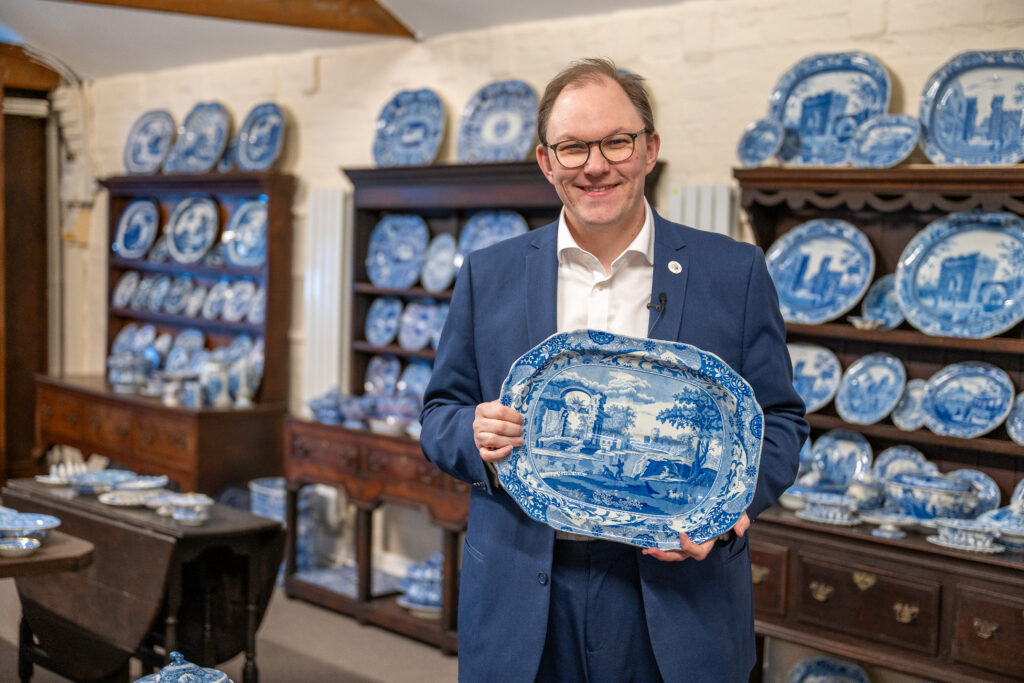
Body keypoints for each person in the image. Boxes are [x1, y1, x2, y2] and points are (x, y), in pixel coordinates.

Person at [420, 57, 808, 682]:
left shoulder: (733, 273)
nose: (595, 165)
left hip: (677, 593)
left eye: (616, 142)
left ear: (650, 148)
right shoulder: (487, 274)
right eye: (572, 148)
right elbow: (439, 414)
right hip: (526, 593)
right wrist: (470, 433)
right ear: (546, 161)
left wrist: (730, 505)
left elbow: (780, 419)